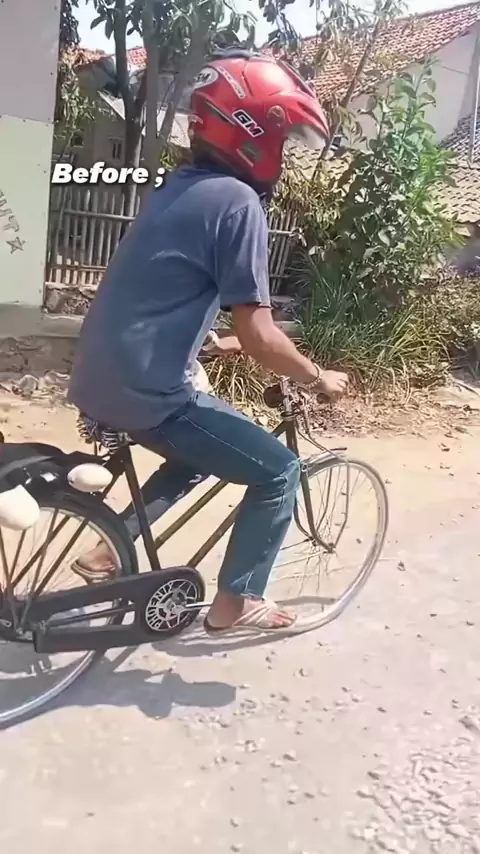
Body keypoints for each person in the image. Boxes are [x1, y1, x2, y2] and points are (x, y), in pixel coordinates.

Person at [67, 48, 349, 635]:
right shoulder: (238, 202)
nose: (284, 154)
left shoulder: (178, 189)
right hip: (149, 394)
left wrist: (212, 342)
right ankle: (237, 603)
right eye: (283, 138)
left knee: (198, 456)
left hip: (97, 375)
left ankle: (110, 547)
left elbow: (161, 291)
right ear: (255, 134)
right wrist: (316, 376)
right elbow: (261, 333)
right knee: (279, 472)